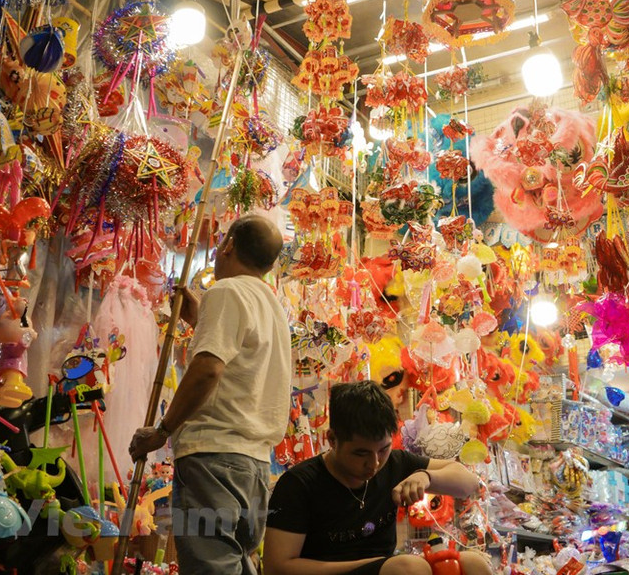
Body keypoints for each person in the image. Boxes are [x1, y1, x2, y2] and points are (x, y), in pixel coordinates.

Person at [129, 215, 292, 575]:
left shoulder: (227, 291)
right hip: (254, 465)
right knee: (235, 562)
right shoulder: (272, 306)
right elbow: (243, 359)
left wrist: (162, 431)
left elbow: (209, 370)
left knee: (211, 567)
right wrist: (201, 320)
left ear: (229, 244)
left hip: (214, 457)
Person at [264, 380, 494, 575]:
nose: (373, 464)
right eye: (361, 453)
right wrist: (379, 565)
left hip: (387, 566)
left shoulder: (395, 463)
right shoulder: (299, 484)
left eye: (383, 450)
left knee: (474, 563)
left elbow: (469, 483)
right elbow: (277, 567)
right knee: (408, 568)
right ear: (332, 440)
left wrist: (426, 477)